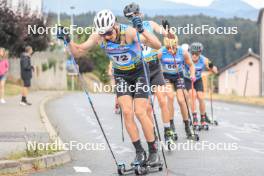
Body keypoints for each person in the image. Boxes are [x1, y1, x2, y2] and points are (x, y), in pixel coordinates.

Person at [57, 9, 162, 166]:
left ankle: (153, 152)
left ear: (114, 25)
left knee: (140, 111)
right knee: (127, 112)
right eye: (102, 34)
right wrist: (68, 40)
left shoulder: (130, 33)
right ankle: (139, 152)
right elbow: (78, 52)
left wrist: (142, 30)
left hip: (139, 71)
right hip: (121, 74)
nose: (106, 37)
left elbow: (157, 45)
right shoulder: (98, 36)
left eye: (108, 33)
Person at [123, 3, 177, 143]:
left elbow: (168, 36)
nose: (133, 18)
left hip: (154, 67)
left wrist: (168, 30)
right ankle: (152, 132)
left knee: (162, 99)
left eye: (135, 14)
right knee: (146, 107)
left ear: (140, 14)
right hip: (140, 69)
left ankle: (167, 130)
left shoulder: (149, 24)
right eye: (130, 17)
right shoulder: (128, 31)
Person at [158, 35, 198, 140]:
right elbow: (153, 64)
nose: (170, 50)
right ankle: (171, 126)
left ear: (176, 45)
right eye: (168, 48)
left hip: (178, 76)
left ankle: (187, 126)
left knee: (181, 100)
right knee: (170, 97)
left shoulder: (183, 52)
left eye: (173, 47)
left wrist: (192, 74)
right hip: (166, 76)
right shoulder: (161, 52)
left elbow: (191, 65)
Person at [184, 42, 218, 129]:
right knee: (193, 95)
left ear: (200, 53)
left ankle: (203, 118)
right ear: (190, 52)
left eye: (197, 54)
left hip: (198, 80)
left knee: (201, 97)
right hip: (188, 80)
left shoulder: (204, 59)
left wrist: (212, 67)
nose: (194, 56)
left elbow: (215, 70)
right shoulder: (186, 58)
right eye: (193, 53)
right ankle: (194, 117)